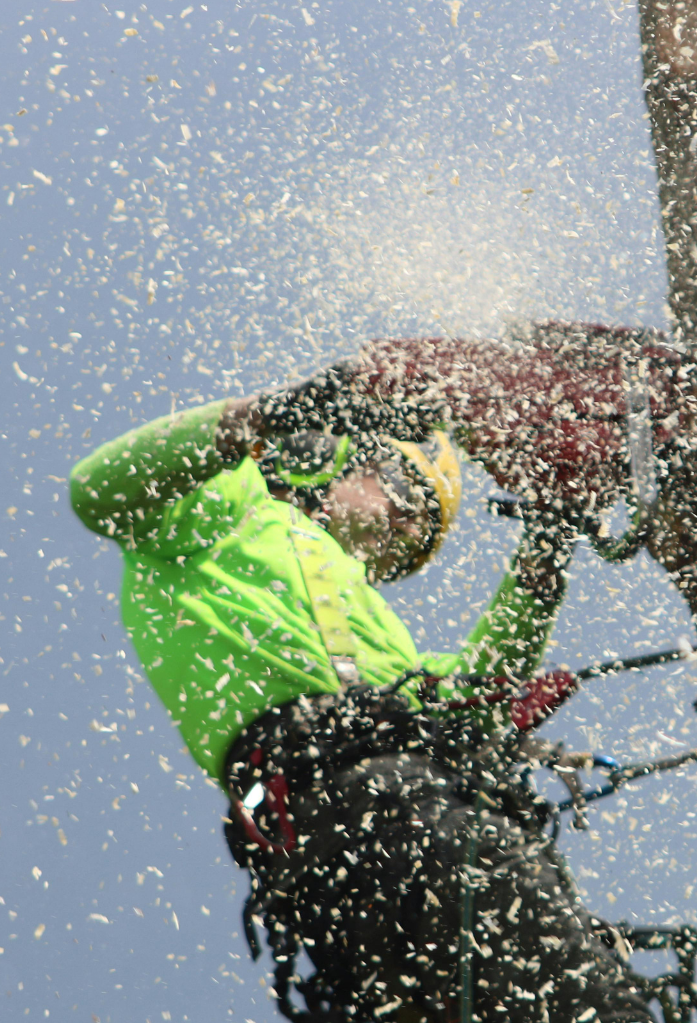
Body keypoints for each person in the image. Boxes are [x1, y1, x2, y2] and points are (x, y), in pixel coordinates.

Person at [68, 379, 651, 1023]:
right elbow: (97, 491)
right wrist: (270, 415)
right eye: (405, 493)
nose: (404, 525)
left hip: (363, 830)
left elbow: (474, 694)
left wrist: (546, 544)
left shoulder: (375, 637)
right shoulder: (224, 509)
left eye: (419, 536)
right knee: (584, 999)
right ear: (330, 456)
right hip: (361, 804)